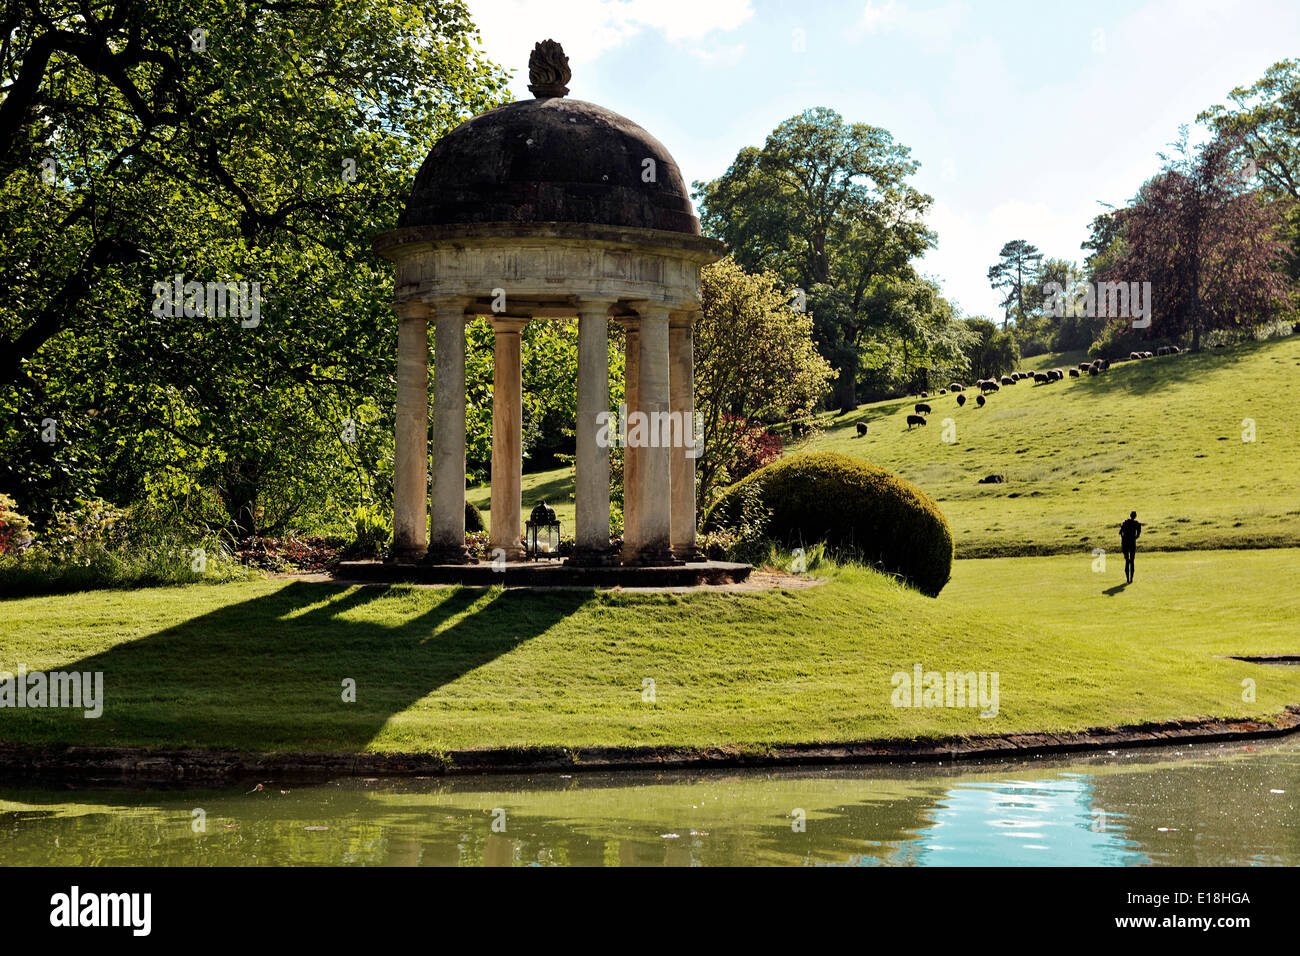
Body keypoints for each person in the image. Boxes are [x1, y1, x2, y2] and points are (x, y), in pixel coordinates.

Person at [1119, 511, 1143, 584]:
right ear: (1135, 516)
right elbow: (1138, 535)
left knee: (1127, 561)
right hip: (1132, 543)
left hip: (1125, 543)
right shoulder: (1137, 524)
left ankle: (1127, 579)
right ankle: (1131, 579)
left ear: (1130, 515)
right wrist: (1133, 538)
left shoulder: (1125, 523)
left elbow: (1120, 533)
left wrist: (1124, 538)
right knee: (1132, 561)